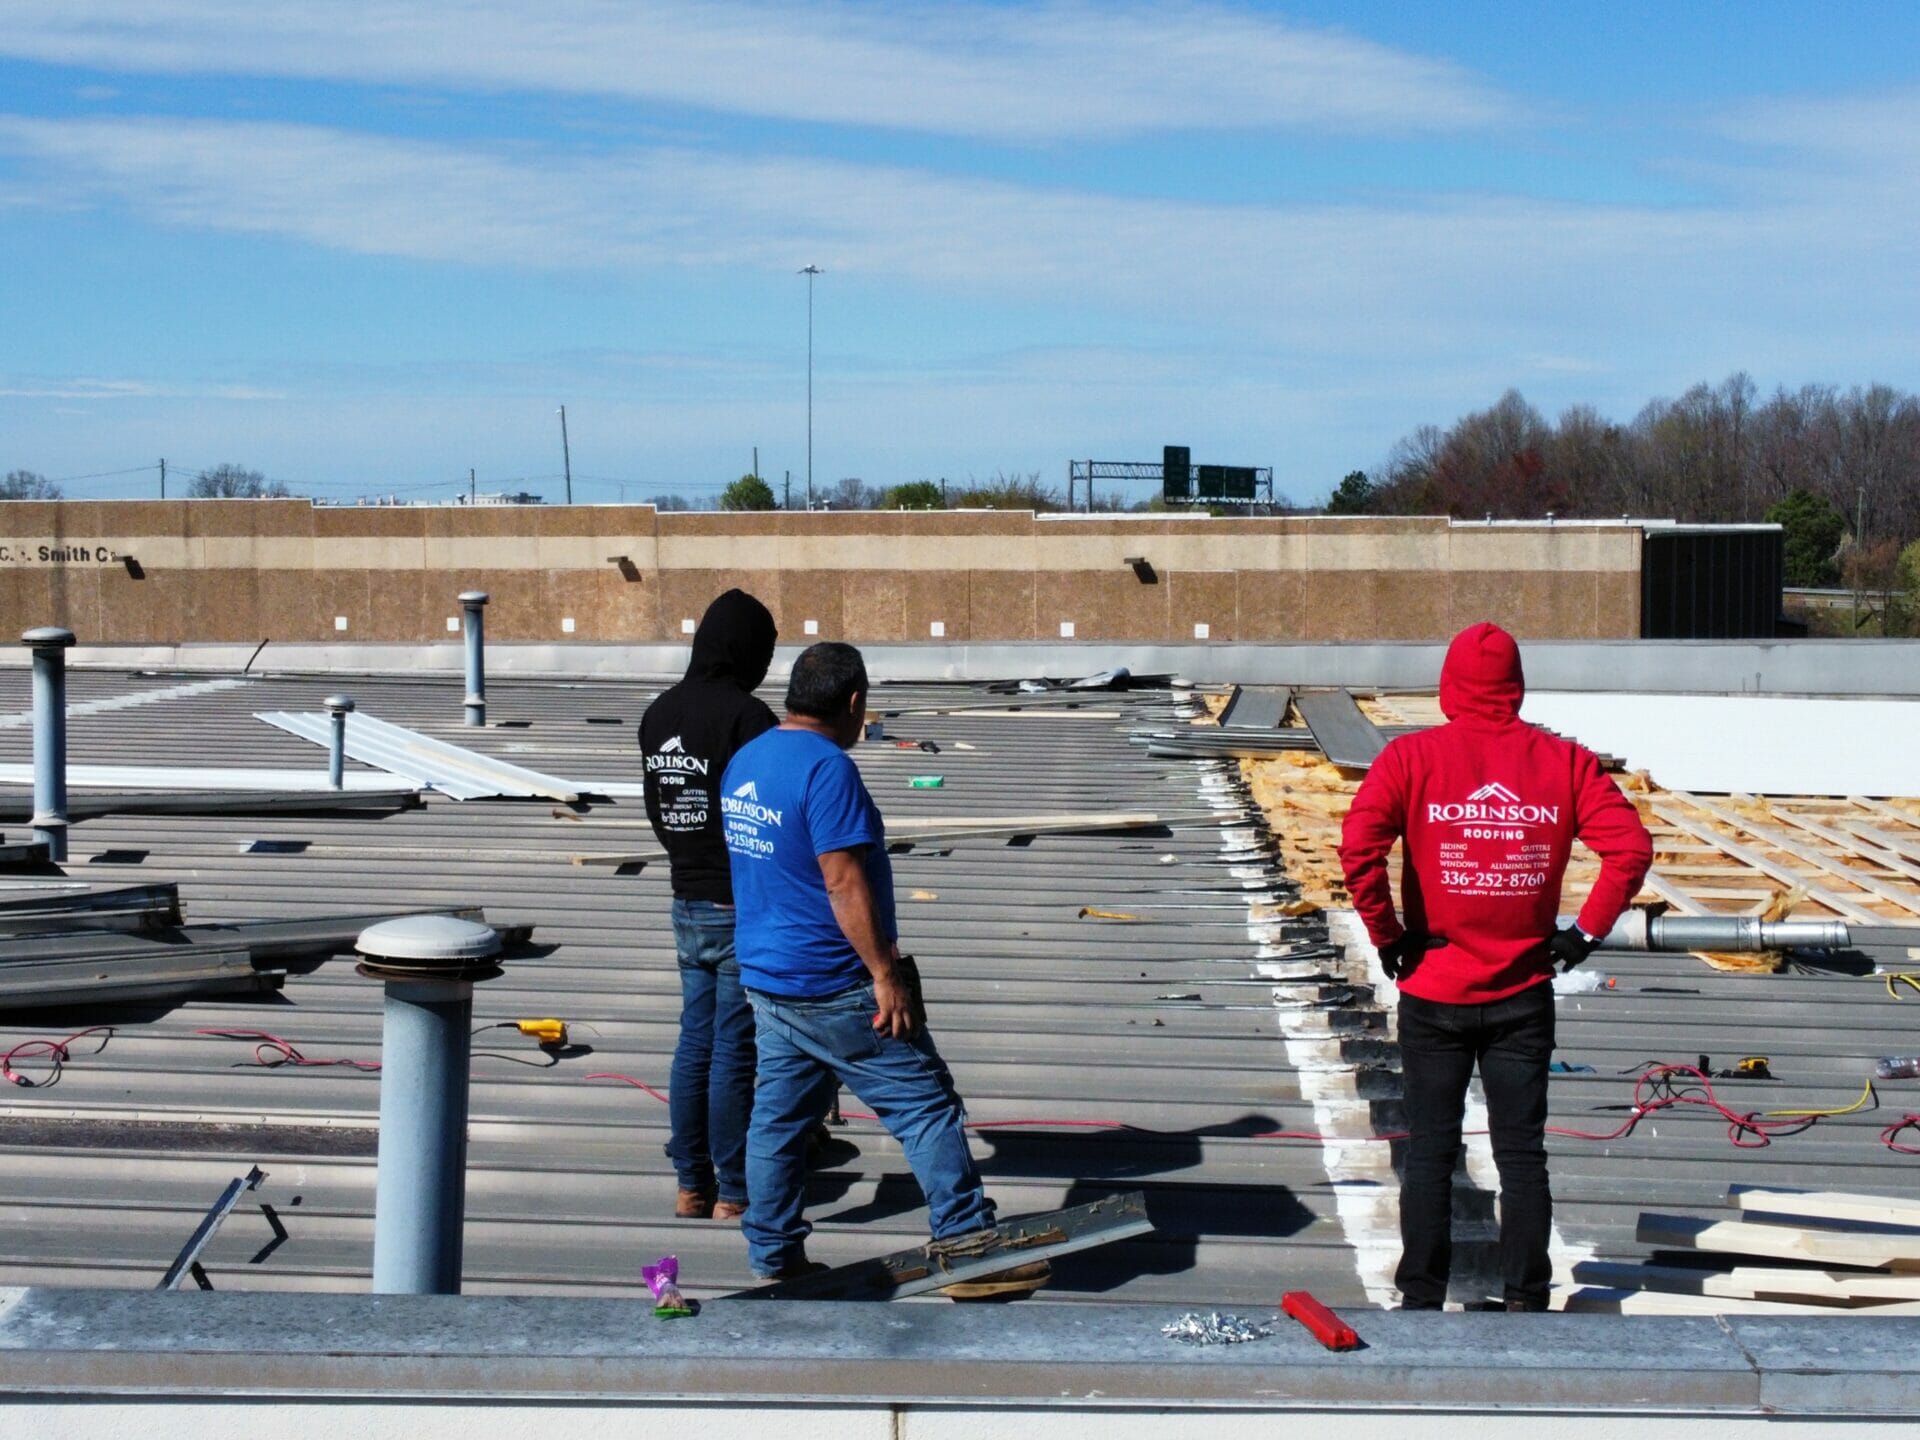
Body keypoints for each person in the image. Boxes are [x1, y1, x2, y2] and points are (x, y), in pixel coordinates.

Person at [1338, 621, 1652, 1312]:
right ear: (1516, 686)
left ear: (1450, 686)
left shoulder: (1411, 758)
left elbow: (1358, 845)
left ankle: (1421, 1300)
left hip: (1434, 993)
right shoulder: (1564, 763)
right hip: (1523, 997)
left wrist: (1388, 935)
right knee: (1521, 1158)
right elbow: (1630, 848)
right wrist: (1581, 937)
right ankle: (1525, 1300)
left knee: (1429, 1154)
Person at [722, 641, 1044, 1294]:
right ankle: (966, 1243)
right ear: (853, 702)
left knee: (778, 1124)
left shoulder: (746, 760)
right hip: (837, 984)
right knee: (926, 1108)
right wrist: (884, 974)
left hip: (769, 981)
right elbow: (843, 883)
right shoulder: (827, 770)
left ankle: (775, 1254)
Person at [639, 588, 779, 1221]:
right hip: (738, 905)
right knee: (733, 1049)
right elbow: (766, 817)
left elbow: (658, 812)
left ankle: (690, 1185)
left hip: (684, 899)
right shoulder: (748, 719)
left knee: (693, 1042)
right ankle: (733, 1191)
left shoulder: (658, 714)